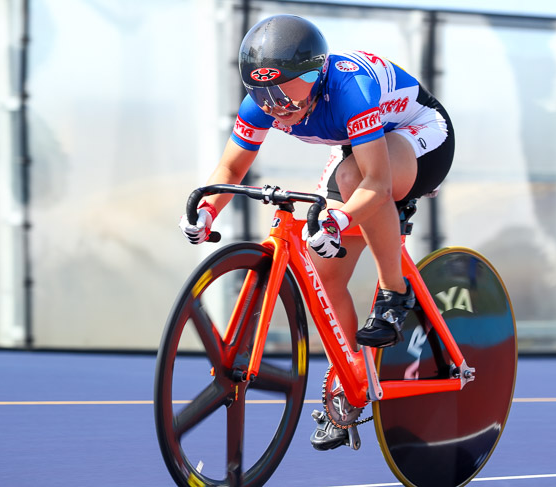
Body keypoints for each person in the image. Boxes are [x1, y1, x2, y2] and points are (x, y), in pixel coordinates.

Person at [179, 14, 455, 451]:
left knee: (349, 186)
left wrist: (341, 218)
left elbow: (376, 184)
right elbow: (232, 168)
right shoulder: (263, 101)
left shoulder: (348, 88)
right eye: (262, 93)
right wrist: (207, 211)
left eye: (283, 91)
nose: (274, 105)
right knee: (324, 275)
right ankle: (353, 380)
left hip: (421, 133)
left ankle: (393, 292)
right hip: (360, 143)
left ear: (315, 74)